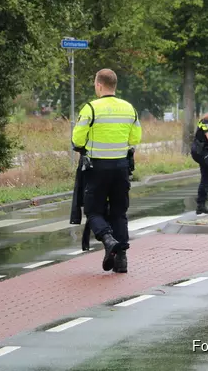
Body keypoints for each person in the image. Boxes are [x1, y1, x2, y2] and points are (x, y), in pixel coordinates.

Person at [72, 68, 142, 273]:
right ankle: (121, 260)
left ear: (99, 85)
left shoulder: (91, 109)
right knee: (119, 212)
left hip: (97, 168)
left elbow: (77, 140)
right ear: (115, 85)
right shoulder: (129, 108)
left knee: (94, 210)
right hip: (121, 167)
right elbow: (135, 139)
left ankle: (108, 239)